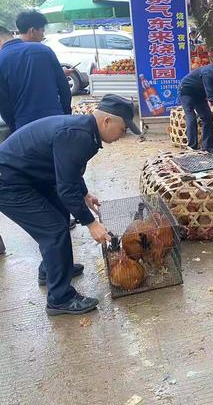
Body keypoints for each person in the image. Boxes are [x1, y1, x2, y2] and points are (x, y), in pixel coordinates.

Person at [0, 94, 140, 315]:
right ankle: (59, 299)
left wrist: (84, 194)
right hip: (9, 181)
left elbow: (69, 169)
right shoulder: (78, 135)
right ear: (107, 121)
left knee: (60, 215)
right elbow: (65, 189)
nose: (123, 135)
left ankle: (51, 270)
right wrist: (90, 223)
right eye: (123, 129)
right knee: (54, 229)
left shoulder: (84, 131)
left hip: (29, 175)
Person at [0, 25, 71, 132]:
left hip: (25, 128)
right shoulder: (44, 50)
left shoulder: (2, 59)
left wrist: (14, 129)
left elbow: (4, 103)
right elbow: (64, 87)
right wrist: (65, 115)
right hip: (56, 121)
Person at [16, 10, 77, 78]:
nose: (43, 35)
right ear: (32, 31)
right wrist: (61, 74)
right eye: (42, 31)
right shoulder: (42, 51)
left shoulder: (5, 54)